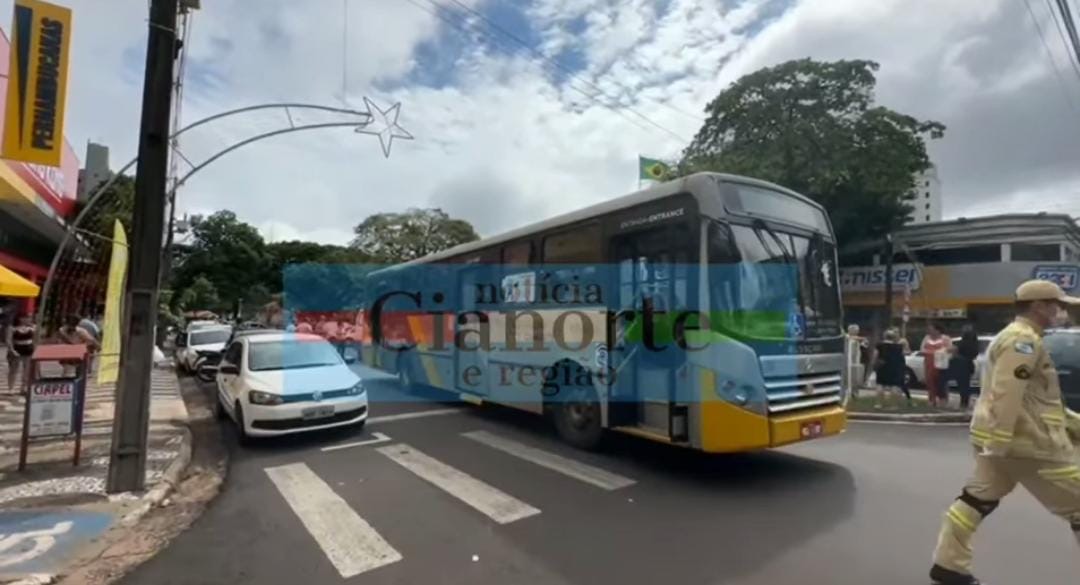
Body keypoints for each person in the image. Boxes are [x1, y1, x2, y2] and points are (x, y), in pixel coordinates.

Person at [928, 279, 1080, 585]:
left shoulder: (1017, 337)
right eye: (1057, 305)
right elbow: (1008, 391)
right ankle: (948, 565)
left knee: (976, 500)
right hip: (1029, 443)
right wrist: (1001, 441)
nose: (1061, 312)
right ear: (1038, 307)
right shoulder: (1023, 341)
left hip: (1003, 440)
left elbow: (1038, 400)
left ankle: (948, 564)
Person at [874, 327, 911, 408]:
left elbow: (875, 356)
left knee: (880, 384)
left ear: (884, 336)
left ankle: (879, 403)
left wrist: (875, 364)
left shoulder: (879, 345)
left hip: (882, 367)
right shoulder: (898, 347)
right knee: (894, 386)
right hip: (894, 368)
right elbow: (901, 357)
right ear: (893, 337)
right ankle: (894, 405)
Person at [921, 322, 953, 408]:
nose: (929, 331)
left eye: (931, 329)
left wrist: (942, 352)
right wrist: (929, 352)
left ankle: (943, 400)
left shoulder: (945, 338)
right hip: (929, 363)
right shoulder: (926, 338)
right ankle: (931, 399)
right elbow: (922, 349)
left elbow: (950, 349)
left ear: (937, 330)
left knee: (941, 382)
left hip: (940, 364)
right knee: (930, 381)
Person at [951, 324, 980, 410]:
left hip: (962, 364)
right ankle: (965, 402)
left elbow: (957, 351)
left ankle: (964, 402)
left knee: (962, 385)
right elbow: (975, 353)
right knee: (966, 384)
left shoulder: (963, 343)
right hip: (969, 364)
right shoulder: (974, 343)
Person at [6, 314, 35, 393]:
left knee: (27, 371)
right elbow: (8, 340)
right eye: (24, 317)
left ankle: (24, 388)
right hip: (17, 350)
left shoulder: (32, 327)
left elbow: (35, 339)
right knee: (13, 370)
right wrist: (12, 351)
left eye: (28, 318)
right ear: (19, 318)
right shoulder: (12, 328)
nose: (26, 319)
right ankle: (10, 388)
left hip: (29, 351)